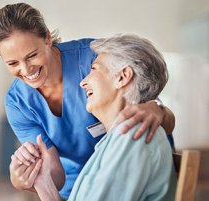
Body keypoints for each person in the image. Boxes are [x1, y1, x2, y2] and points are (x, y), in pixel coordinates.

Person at [0, 3, 175, 199]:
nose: (26, 70)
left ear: (47, 39)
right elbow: (52, 171)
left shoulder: (95, 57)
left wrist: (158, 108)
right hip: (82, 185)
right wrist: (32, 178)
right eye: (12, 63)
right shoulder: (18, 101)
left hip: (128, 167)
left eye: (32, 55)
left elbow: (145, 94)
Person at [34, 34, 177, 201]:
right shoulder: (117, 139)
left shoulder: (134, 136)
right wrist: (44, 184)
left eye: (94, 69)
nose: (83, 82)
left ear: (122, 77)